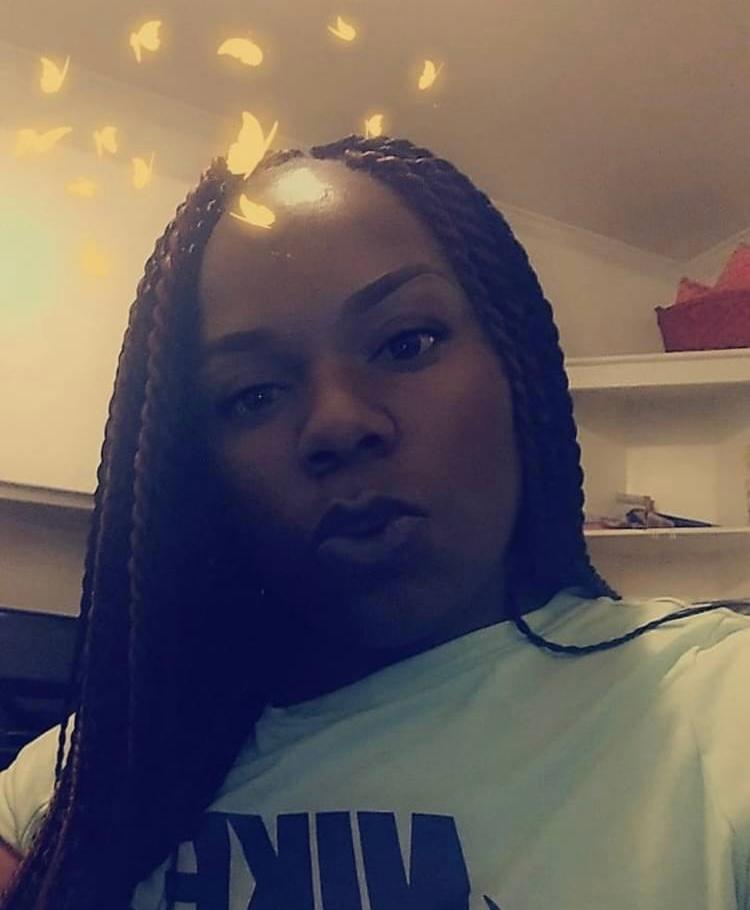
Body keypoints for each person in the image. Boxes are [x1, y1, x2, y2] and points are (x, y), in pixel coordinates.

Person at [0, 134, 748, 910]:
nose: (339, 422)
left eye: (406, 342)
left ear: (515, 364)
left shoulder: (713, 704)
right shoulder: (98, 770)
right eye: (254, 394)